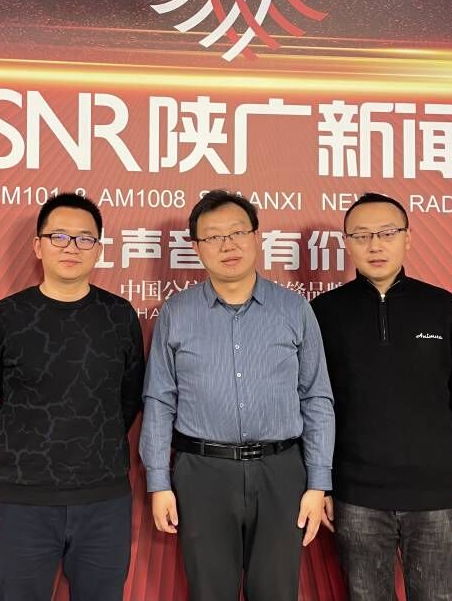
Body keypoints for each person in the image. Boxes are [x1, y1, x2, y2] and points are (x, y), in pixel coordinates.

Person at [139, 189, 335, 601]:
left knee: (277, 592)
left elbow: (316, 398)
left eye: (237, 232)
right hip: (202, 473)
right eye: (213, 237)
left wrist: (318, 483)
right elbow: (159, 401)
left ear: (256, 237)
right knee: (209, 592)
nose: (227, 245)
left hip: (281, 472)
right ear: (196, 248)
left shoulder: (294, 310)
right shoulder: (177, 313)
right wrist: (158, 482)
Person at [310, 192, 452, 601]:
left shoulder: (442, 307)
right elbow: (312, 407)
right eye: (361, 235)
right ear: (347, 243)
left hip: (436, 498)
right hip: (356, 497)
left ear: (407, 238)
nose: (375, 245)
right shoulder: (323, 313)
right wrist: (320, 485)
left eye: (387, 233)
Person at [0, 192, 145, 601]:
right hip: (23, 502)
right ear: (38, 245)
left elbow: (129, 397)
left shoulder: (119, 316)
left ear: (98, 249)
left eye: (84, 239)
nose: (71, 247)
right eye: (59, 237)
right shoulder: (2, 318)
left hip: (104, 501)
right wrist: (16, 452)